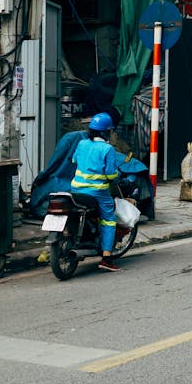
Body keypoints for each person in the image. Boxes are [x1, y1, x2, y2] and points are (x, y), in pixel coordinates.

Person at [70, 112, 124, 272]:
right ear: (106, 132)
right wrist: (118, 175)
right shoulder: (107, 149)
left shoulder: (82, 144)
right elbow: (110, 175)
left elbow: (74, 160)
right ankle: (106, 257)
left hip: (76, 189)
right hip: (97, 192)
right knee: (109, 218)